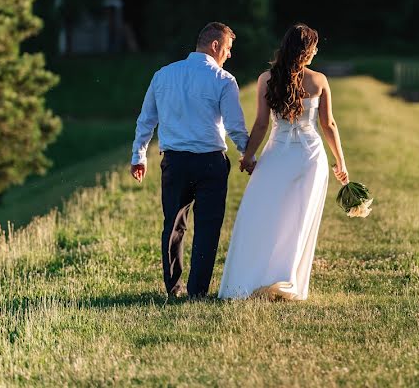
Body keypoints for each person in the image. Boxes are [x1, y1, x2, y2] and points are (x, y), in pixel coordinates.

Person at [218, 23, 348, 301]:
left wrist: (248, 155)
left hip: (277, 155)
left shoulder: (266, 79)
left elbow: (262, 124)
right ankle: (286, 280)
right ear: (308, 50)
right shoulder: (319, 81)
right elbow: (329, 124)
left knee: (263, 214)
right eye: (314, 47)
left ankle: (256, 277)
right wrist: (341, 162)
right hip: (310, 156)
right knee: (299, 219)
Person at [130, 22, 250, 299]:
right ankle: (197, 291)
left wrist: (139, 156)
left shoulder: (163, 75)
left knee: (173, 224)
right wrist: (248, 155)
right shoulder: (223, 80)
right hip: (211, 163)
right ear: (215, 46)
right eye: (228, 49)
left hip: (175, 162)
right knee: (208, 226)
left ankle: (174, 288)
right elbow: (234, 126)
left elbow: (146, 120)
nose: (229, 55)